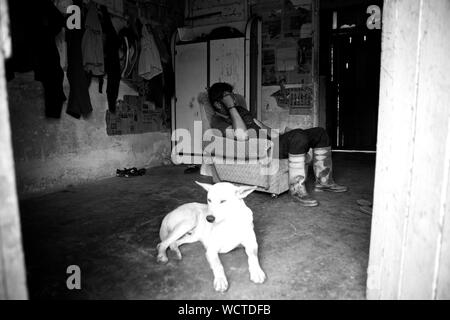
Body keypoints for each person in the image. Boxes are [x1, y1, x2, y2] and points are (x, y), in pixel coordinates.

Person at [207, 82, 347, 207]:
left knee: (319, 132)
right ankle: (297, 190)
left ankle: (323, 181)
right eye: (228, 97)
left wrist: (282, 136)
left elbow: (260, 126)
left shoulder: (241, 110)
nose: (233, 99)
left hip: (273, 143)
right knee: (298, 136)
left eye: (232, 95)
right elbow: (242, 136)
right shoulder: (217, 122)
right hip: (261, 150)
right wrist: (231, 107)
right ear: (218, 104)